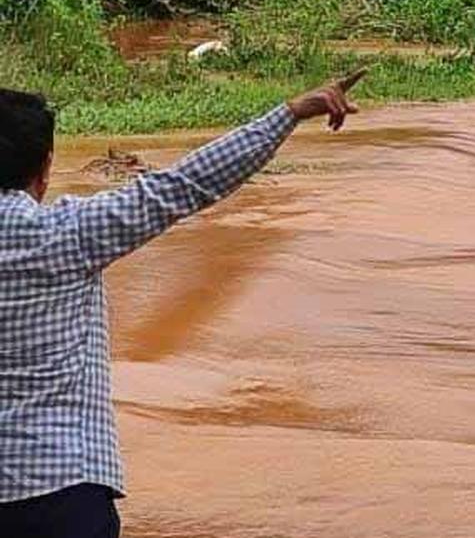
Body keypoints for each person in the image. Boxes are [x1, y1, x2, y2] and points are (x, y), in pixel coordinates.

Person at [0, 69, 367, 537]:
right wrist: (289, 114)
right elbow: (183, 184)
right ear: (46, 166)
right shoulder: (68, 235)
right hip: (64, 490)